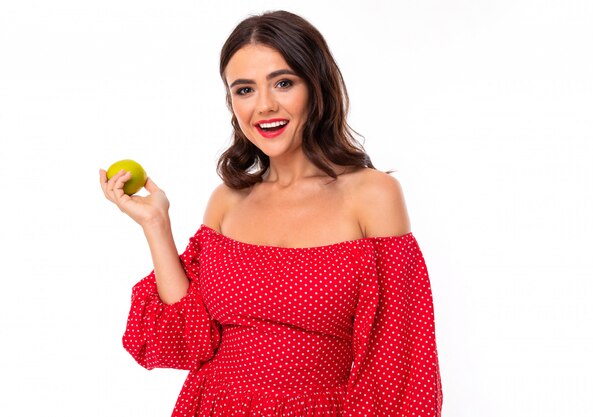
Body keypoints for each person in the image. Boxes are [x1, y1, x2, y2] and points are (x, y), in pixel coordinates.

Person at [99, 10, 442, 417]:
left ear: (316, 87)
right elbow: (186, 338)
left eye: (283, 83)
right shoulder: (228, 200)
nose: (264, 105)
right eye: (244, 90)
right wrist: (156, 224)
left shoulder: (372, 195)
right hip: (210, 406)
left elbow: (399, 362)